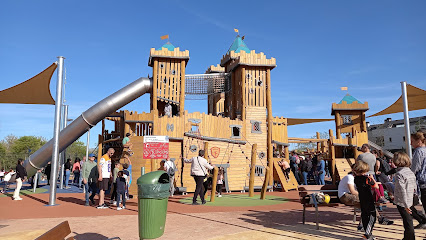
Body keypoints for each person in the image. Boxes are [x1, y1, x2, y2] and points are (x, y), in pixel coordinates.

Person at [393, 152, 423, 240]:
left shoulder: (399, 174)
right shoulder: (410, 172)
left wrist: (406, 205)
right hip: (411, 199)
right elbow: (415, 187)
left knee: (408, 223)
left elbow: (402, 190)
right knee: (408, 221)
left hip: (403, 202)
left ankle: (410, 238)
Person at [353, 160, 378, 240]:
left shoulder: (356, 179)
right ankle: (367, 234)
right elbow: (376, 186)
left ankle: (367, 233)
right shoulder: (366, 179)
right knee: (372, 216)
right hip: (369, 199)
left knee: (364, 215)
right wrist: (372, 179)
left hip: (362, 198)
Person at [410, 131, 426, 229]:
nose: (411, 143)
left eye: (412, 141)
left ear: (419, 141)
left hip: (423, 182)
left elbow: (414, 169)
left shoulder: (418, 151)